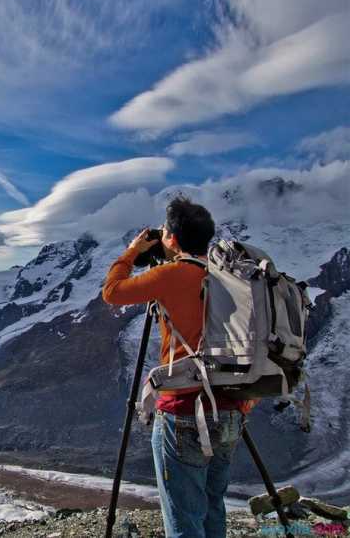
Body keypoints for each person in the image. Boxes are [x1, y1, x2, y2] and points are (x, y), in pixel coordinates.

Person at [102, 195, 248, 538]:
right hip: (230, 410)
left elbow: (112, 291)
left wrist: (133, 251)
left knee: (183, 519)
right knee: (213, 506)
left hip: (183, 411)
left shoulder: (173, 274)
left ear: (172, 238)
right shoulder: (229, 277)